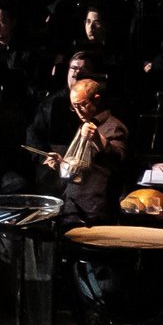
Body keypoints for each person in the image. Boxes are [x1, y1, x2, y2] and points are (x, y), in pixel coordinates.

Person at [40, 78, 130, 223]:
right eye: (74, 107)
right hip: (73, 206)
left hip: (95, 209)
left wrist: (99, 140)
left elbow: (119, 161)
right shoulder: (84, 126)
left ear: (96, 100)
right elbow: (82, 168)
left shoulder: (113, 127)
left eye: (82, 105)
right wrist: (61, 163)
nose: (78, 111)